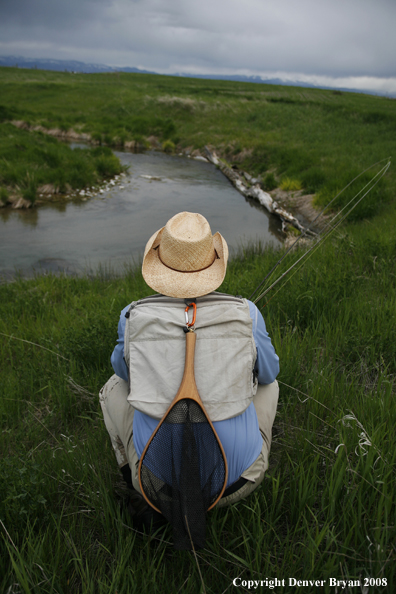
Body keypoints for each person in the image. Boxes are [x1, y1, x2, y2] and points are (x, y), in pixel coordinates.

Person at [99, 211, 279, 530]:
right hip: (239, 481)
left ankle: (134, 484)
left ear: (159, 264)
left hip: (157, 485)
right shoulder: (247, 312)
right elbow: (266, 375)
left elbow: (124, 373)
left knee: (112, 388)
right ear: (213, 263)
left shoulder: (132, 315)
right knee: (271, 385)